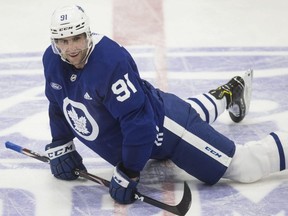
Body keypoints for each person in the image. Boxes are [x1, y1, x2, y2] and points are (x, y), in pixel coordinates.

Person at [43, 5, 288, 205]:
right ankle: (229, 92)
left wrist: (130, 170)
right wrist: (61, 144)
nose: (71, 48)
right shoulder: (52, 61)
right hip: (156, 117)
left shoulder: (109, 62)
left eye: (76, 38)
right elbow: (58, 104)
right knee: (186, 113)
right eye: (63, 41)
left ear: (87, 34)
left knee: (244, 167)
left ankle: (230, 97)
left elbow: (139, 125)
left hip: (164, 130)